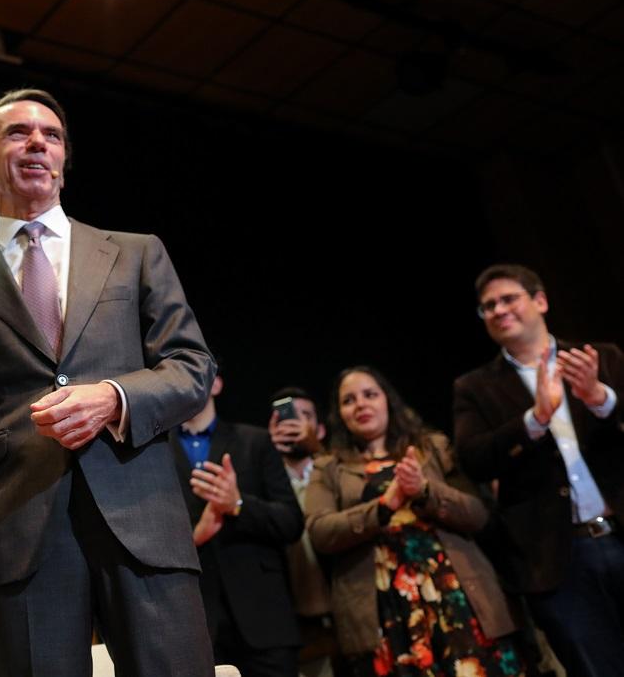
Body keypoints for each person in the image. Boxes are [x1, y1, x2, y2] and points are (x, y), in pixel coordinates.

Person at [0, 89, 216, 677]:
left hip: (142, 519)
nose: (37, 143)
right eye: (17, 133)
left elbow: (191, 366)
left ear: (62, 160)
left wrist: (113, 397)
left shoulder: (135, 253)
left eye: (51, 136)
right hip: (19, 531)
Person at [453, 264, 624, 676]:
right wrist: (534, 420)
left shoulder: (599, 357)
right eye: (487, 306)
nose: (497, 310)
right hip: (558, 559)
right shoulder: (475, 387)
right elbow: (473, 459)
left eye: (508, 298)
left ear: (540, 301)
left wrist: (600, 399)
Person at [306, 366, 525, 677]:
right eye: (349, 400)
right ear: (339, 413)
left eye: (370, 395)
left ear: (388, 401)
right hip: (383, 606)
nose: (361, 405)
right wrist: (384, 505)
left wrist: (424, 490)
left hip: (454, 589)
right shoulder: (327, 467)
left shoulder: (432, 447)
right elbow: (320, 532)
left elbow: (478, 514)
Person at [172, 370, 304, 677]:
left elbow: (291, 522)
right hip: (195, 622)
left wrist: (238, 505)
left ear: (216, 383)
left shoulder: (255, 441)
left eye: (195, 371)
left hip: (265, 618)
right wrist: (194, 537)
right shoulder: (151, 451)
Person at [267, 387, 340, 677]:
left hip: (341, 609)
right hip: (292, 619)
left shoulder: (336, 471)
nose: (294, 424)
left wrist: (316, 452)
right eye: (287, 417)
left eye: (305, 416)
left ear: (320, 430)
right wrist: (266, 454)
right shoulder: (264, 479)